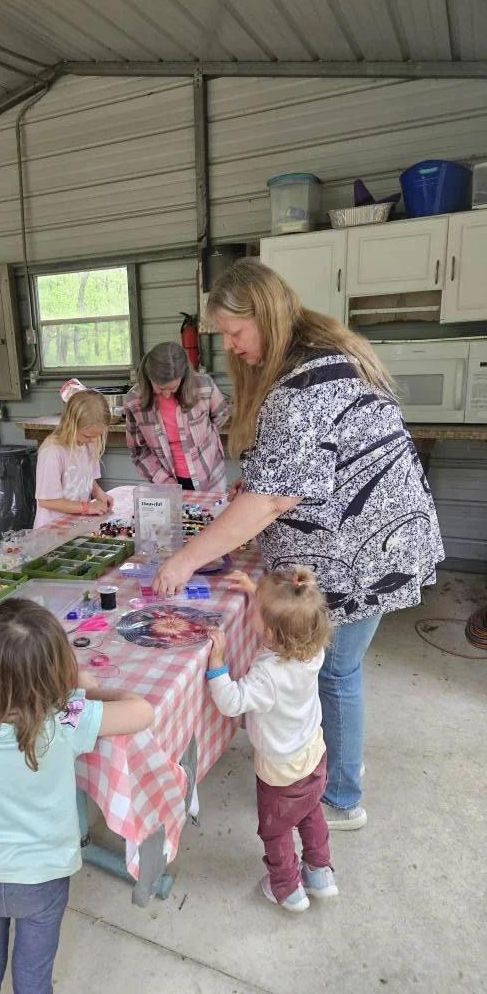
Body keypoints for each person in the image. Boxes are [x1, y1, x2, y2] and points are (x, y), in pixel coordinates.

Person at [154, 259, 444, 830]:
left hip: (362, 553)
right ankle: (331, 764)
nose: (230, 347)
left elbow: (271, 500)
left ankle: (339, 797)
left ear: (264, 314)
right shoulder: (322, 356)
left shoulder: (303, 384)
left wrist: (186, 558)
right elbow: (303, 469)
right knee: (335, 670)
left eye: (235, 332)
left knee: (333, 672)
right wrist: (260, 479)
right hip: (374, 542)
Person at [0, 598, 153, 994]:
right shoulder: (66, 718)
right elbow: (143, 711)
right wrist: (87, 689)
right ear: (55, 667)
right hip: (43, 878)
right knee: (33, 980)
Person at [206, 569, 337, 912]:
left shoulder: (267, 676)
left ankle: (287, 888)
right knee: (309, 810)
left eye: (255, 610)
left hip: (280, 768)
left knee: (276, 829)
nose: (250, 612)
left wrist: (217, 664)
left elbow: (231, 702)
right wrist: (257, 592)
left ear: (269, 631)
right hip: (313, 752)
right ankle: (319, 872)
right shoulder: (312, 651)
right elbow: (288, 617)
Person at [124, 341, 229, 492]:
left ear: (184, 377)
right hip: (166, 482)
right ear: (149, 377)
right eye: (160, 389)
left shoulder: (204, 386)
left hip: (210, 477)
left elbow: (221, 415)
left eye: (173, 388)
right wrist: (163, 479)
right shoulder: (134, 400)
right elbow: (138, 450)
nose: (167, 394)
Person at [33, 389, 114, 529]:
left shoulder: (88, 444)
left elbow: (87, 478)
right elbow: (47, 500)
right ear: (71, 425)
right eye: (87, 436)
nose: (93, 440)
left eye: (98, 435)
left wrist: (100, 494)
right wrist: (87, 507)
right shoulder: (52, 452)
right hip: (51, 530)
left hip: (75, 525)